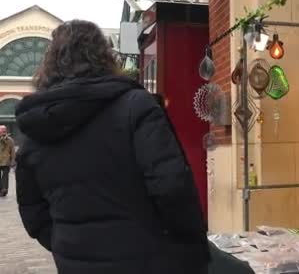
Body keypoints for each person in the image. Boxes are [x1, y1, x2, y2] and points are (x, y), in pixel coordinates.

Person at [14, 20, 210, 274]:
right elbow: (172, 186)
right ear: (103, 56)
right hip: (147, 258)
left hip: (75, 262)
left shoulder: (37, 125)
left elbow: (32, 210)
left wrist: (67, 242)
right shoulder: (135, 105)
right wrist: (190, 246)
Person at [0, 125, 16, 197]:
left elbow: (13, 152)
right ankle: (1, 189)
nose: (3, 132)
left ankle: (4, 189)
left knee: (5, 176)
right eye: (2, 131)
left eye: (4, 131)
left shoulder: (10, 140)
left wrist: (13, 161)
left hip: (6, 161)